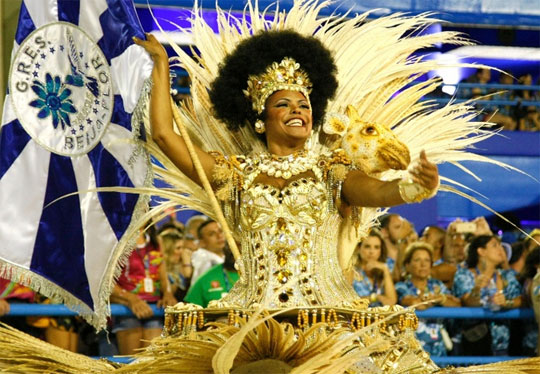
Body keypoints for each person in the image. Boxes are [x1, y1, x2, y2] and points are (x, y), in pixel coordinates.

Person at [110, 224, 177, 355]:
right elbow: (107, 282)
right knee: (131, 363)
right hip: (127, 308)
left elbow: (163, 276)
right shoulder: (116, 239)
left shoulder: (156, 240)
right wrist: (130, 298)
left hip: (153, 308)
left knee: (149, 363)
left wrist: (167, 293)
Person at [452, 235, 523, 356]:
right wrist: (477, 289)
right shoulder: (464, 274)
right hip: (474, 344)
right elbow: (467, 302)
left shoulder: (505, 275)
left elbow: (522, 299)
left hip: (502, 343)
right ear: (481, 251)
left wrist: (506, 303)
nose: (501, 249)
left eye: (500, 245)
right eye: (495, 245)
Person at [395, 242, 460, 356]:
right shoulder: (401, 286)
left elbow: (457, 305)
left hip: (438, 349)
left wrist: (441, 299)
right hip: (412, 350)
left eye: (427, 260)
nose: (423, 264)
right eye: (417, 260)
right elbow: (414, 303)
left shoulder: (437, 285)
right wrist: (432, 301)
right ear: (407, 265)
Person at [352, 229, 397, 306]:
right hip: (358, 316)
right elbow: (348, 302)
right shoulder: (352, 271)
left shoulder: (386, 266)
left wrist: (385, 270)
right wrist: (375, 298)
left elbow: (391, 301)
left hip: (382, 316)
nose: (372, 251)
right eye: (367, 246)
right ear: (359, 248)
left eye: (376, 247)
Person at [159, 227, 193, 302]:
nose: (182, 252)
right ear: (167, 250)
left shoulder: (185, 266)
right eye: (178, 248)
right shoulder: (160, 271)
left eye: (183, 247)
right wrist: (186, 265)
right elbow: (173, 293)